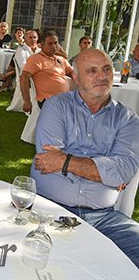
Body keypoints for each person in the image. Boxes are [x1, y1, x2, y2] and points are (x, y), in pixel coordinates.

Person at [32, 48, 139, 268]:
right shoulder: (56, 106)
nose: (102, 76)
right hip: (51, 210)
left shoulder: (127, 119)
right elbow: (49, 160)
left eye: (107, 69)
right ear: (76, 77)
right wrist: (106, 171)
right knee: (36, 262)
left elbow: (124, 170)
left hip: (104, 218)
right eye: (92, 71)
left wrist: (65, 162)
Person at [21, 30, 73, 113]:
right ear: (42, 45)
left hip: (65, 99)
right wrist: (26, 101)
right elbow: (24, 77)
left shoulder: (61, 59)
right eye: (50, 44)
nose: (54, 46)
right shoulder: (36, 59)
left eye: (55, 43)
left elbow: (72, 74)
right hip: (49, 101)